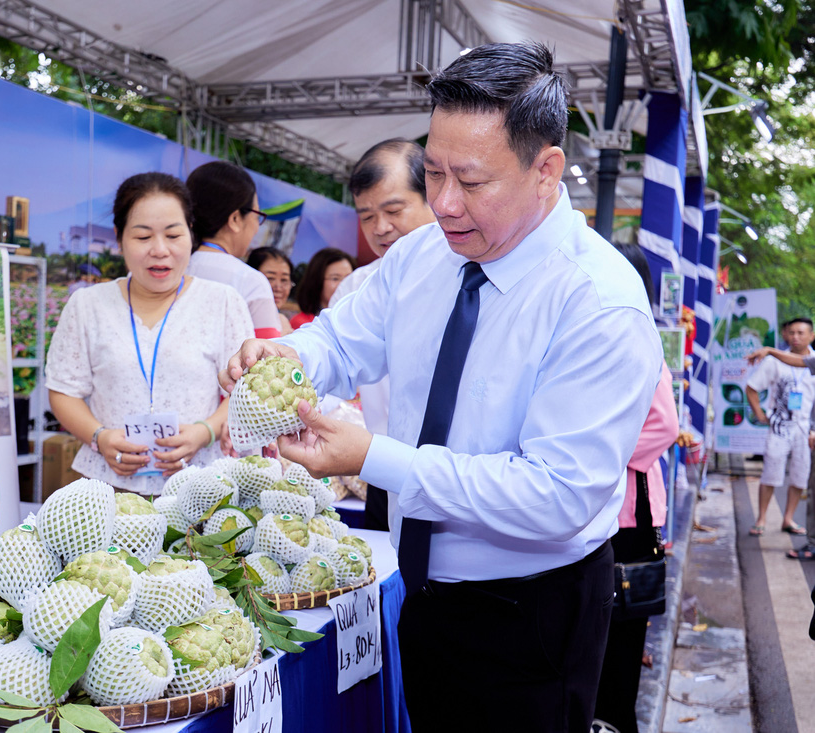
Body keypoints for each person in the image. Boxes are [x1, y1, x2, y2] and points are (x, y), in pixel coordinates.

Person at [220, 42, 660, 731]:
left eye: (472, 181)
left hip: (532, 613)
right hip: (420, 586)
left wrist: (370, 457)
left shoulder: (600, 302)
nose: (446, 204)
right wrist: (282, 364)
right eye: (432, 174)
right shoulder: (425, 256)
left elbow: (556, 493)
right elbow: (339, 340)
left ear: (547, 170)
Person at [46, 172, 254, 496]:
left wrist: (204, 432)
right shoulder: (87, 305)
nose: (159, 250)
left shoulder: (223, 302)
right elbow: (63, 390)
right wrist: (99, 436)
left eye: (173, 235)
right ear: (119, 238)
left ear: (190, 234)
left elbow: (246, 390)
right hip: (106, 490)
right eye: (143, 237)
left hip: (199, 491)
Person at [328, 138, 436, 531]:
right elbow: (332, 355)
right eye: (366, 216)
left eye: (393, 210)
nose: (380, 228)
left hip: (454, 481)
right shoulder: (357, 286)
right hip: (381, 473)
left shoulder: (469, 277)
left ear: (434, 196)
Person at [593, 243, 680, 733]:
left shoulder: (638, 338)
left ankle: (616, 721)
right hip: (599, 508)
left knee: (622, 631)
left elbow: (663, 424)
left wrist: (590, 455)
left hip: (631, 512)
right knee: (598, 628)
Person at [185, 161, 284, 339]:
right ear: (235, 219)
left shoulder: (171, 270)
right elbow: (268, 353)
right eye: (257, 216)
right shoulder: (250, 281)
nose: (256, 227)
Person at [743, 317, 815, 539]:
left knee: (800, 476)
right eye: (792, 332)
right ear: (785, 334)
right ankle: (761, 518)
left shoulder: (812, 360)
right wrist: (760, 414)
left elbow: (801, 363)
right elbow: (752, 387)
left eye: (801, 333)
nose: (796, 337)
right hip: (780, 425)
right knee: (771, 472)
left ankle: (788, 519)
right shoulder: (777, 361)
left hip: (806, 428)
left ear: (812, 335)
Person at [288, 247, 355, 329]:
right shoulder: (302, 324)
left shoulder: (357, 322)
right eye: (335, 278)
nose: (344, 284)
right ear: (317, 281)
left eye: (349, 278)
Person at [247, 246, 296, 335]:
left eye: (284, 280)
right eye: (270, 278)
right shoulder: (241, 318)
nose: (278, 287)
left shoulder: (282, 321)